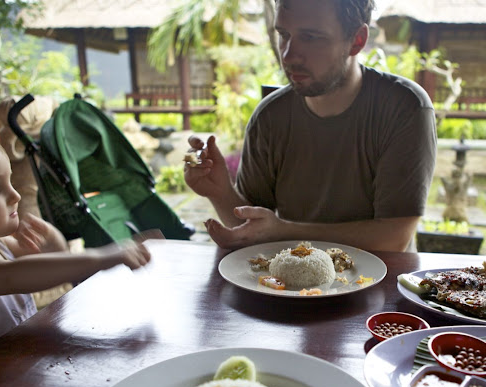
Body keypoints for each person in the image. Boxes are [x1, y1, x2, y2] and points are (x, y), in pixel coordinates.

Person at [184, 0, 436, 252]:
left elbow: (393, 239)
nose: (288, 55)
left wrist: (284, 232)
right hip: (293, 287)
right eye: (284, 35)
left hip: (379, 284)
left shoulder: (403, 107)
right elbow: (252, 229)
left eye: (311, 37)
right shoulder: (270, 117)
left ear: (357, 40)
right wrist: (219, 191)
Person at [0, 125, 155, 377]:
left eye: (10, 181)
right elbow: (12, 276)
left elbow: (46, 268)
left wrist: (54, 244)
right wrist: (102, 256)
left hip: (9, 373)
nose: (15, 195)